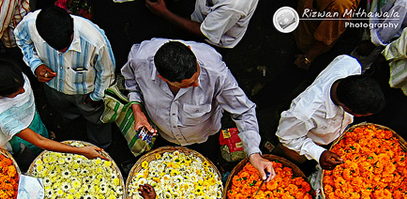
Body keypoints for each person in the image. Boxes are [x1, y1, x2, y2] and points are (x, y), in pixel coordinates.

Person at [121, 39, 274, 182]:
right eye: (188, 85)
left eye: (197, 76)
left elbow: (243, 111)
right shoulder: (139, 60)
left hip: (203, 138)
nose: (197, 84)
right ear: (163, 78)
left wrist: (254, 153)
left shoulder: (216, 72)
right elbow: (131, 81)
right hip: (162, 134)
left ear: (190, 50)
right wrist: (137, 110)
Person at [0, 56, 108, 170]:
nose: (23, 92)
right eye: (16, 93)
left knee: (40, 130)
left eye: (21, 86)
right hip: (20, 139)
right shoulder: (3, 117)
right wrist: (82, 151)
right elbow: (39, 140)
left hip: (32, 120)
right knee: (31, 152)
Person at [14, 6, 116, 149]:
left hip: (86, 94)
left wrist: (95, 97)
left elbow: (106, 73)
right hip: (54, 88)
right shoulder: (30, 24)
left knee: (97, 121)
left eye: (66, 47)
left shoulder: (95, 40)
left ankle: (102, 148)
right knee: (67, 116)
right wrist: (35, 64)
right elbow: (21, 38)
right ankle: (73, 138)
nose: (63, 52)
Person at [275, 55, 386, 170]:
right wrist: (319, 153)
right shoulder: (305, 113)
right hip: (301, 145)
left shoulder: (351, 65)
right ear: (347, 108)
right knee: (288, 166)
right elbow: (286, 137)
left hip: (330, 137)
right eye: (362, 115)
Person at [145, 0, 259, 49]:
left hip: (210, 39)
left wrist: (163, 12)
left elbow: (204, 33)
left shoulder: (234, 6)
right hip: (200, 11)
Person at [294, 0, 359, 70]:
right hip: (298, 33)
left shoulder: (341, 5)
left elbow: (327, 37)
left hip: (312, 53)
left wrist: (307, 58)